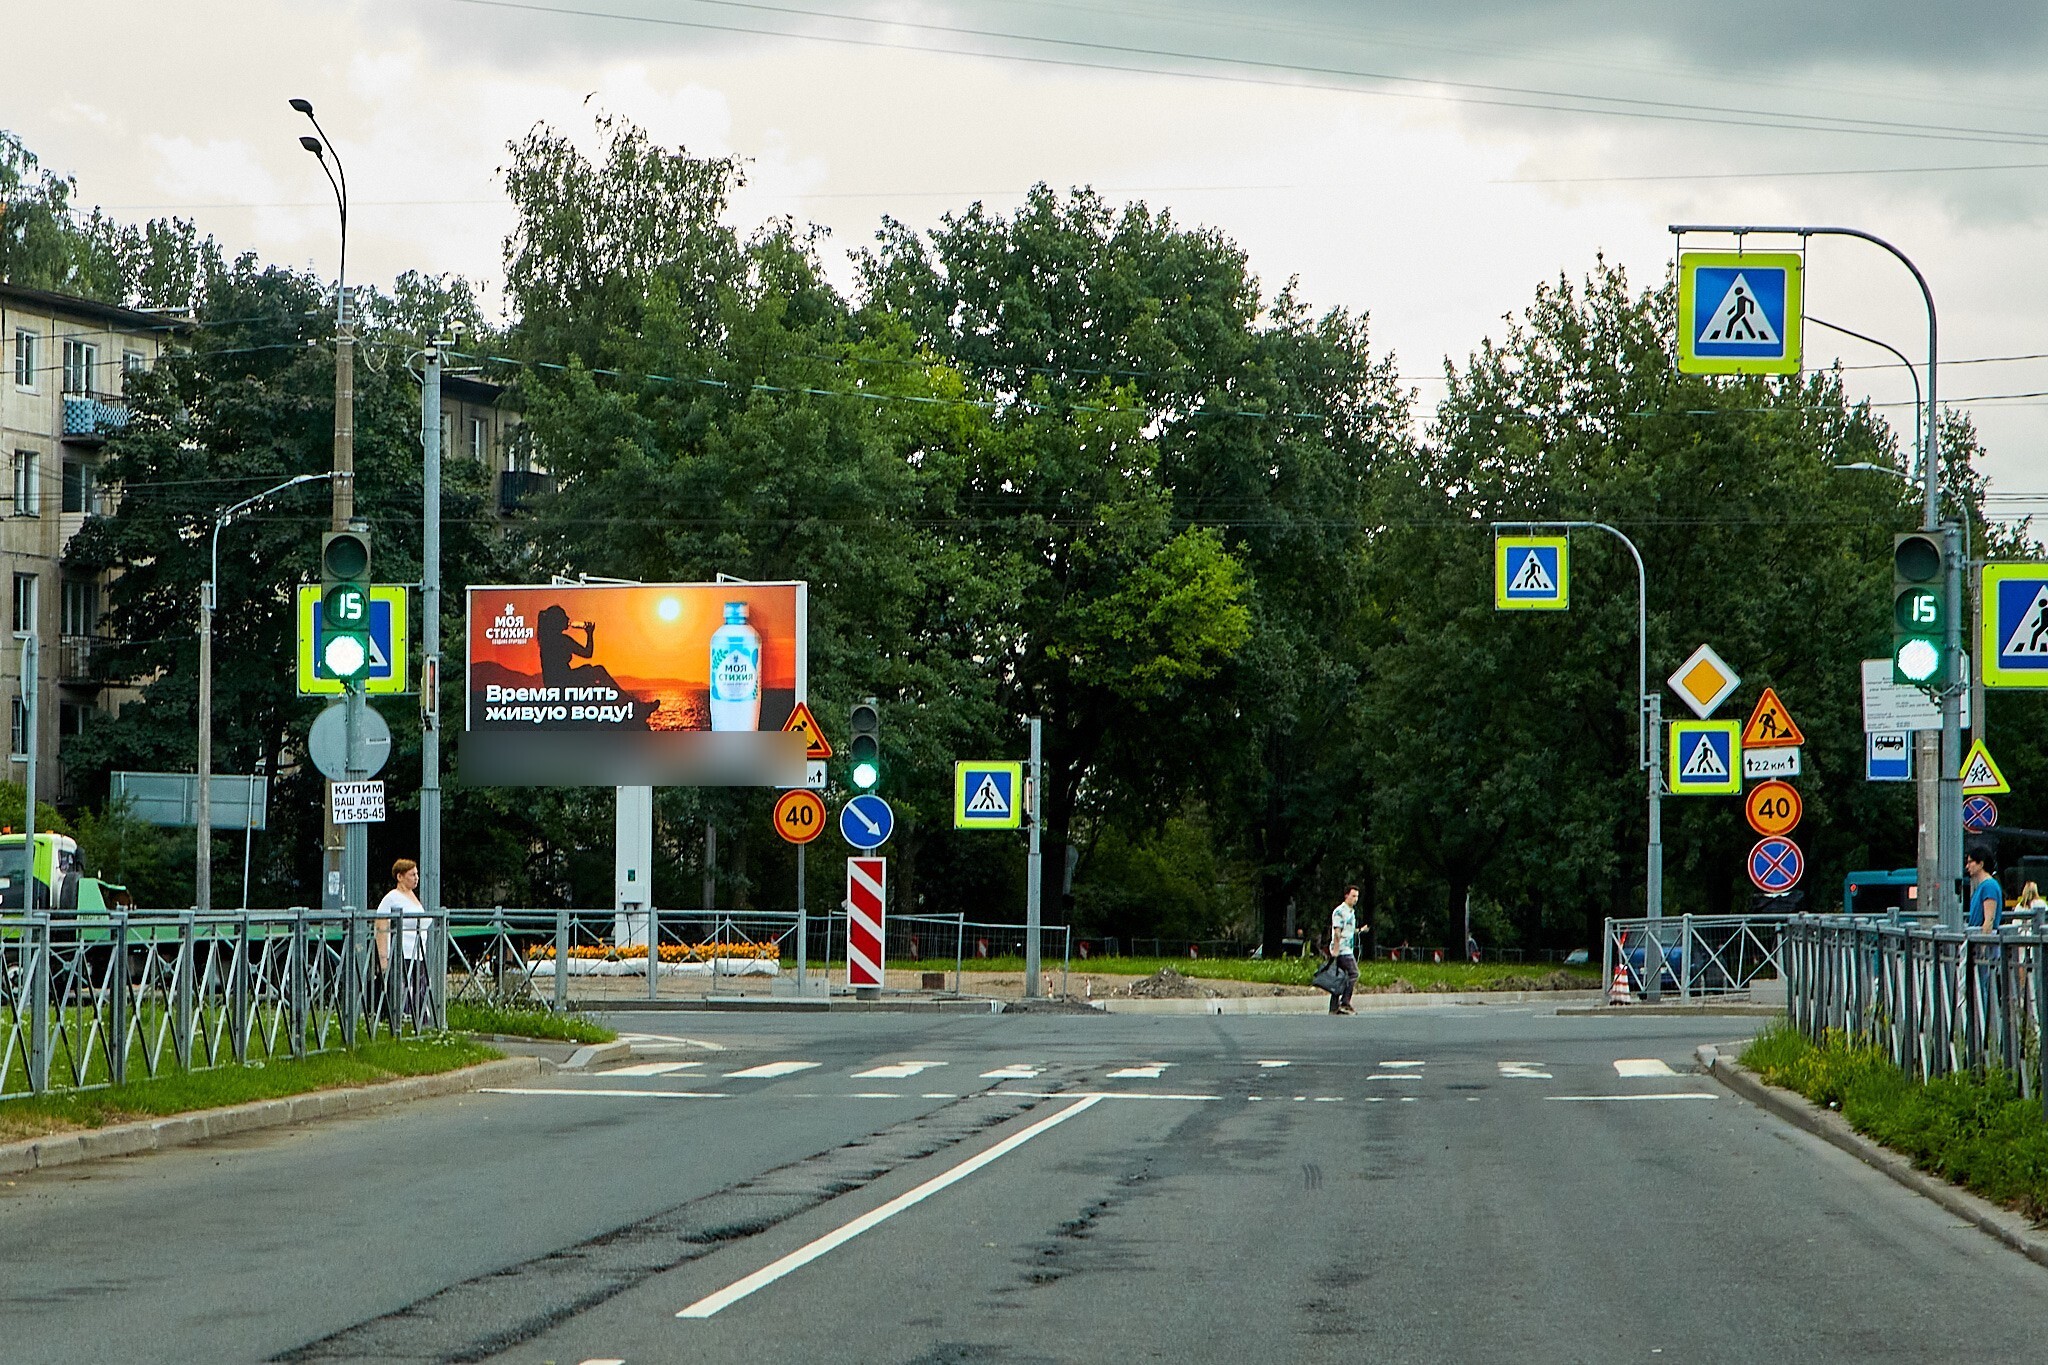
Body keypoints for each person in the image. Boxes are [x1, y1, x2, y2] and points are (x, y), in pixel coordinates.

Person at [376, 858, 429, 1023]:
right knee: (404, 989)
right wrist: (383, 957)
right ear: (400, 877)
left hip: (418, 953)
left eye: (417, 874)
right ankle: (401, 1022)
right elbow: (381, 925)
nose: (416, 878)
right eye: (412, 874)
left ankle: (420, 1023)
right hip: (402, 953)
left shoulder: (413, 897)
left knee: (419, 989)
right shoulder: (392, 898)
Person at [1326, 886, 1361, 1015]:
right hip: (1342, 949)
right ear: (1346, 895)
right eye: (1353, 896)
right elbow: (1337, 931)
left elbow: (1348, 930)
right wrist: (1335, 949)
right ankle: (1345, 1002)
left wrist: (1360, 931)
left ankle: (1334, 1007)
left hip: (1348, 948)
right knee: (1353, 973)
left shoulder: (1351, 911)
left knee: (1339, 977)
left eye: (1357, 896)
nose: (1355, 899)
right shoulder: (1340, 911)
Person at [1966, 846, 2004, 932]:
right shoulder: (1982, 886)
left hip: (1983, 940)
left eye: (1970, 862)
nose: (1967, 866)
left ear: (1981, 864)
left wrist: (1983, 943)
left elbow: (1989, 920)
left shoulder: (1989, 886)